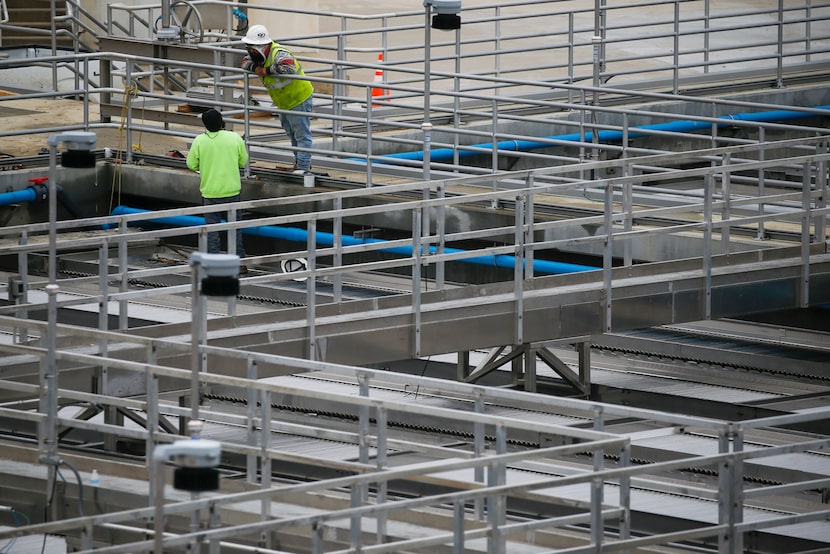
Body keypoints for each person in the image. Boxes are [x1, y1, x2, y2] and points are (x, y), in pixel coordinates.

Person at [241, 24, 314, 174]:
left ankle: (303, 167)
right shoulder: (255, 55)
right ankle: (299, 163)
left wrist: (265, 71)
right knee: (291, 132)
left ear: (264, 45)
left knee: (301, 134)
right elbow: (244, 63)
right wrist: (256, 68)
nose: (251, 52)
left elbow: (289, 67)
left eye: (253, 48)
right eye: (250, 48)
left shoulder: (278, 53)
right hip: (283, 102)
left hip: (298, 98)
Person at [186, 108, 250, 272]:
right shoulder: (234, 138)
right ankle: (239, 262)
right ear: (222, 121)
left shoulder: (200, 140)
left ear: (205, 125)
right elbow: (243, 161)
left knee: (212, 230)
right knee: (234, 228)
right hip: (232, 191)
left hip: (210, 192)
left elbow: (191, 164)